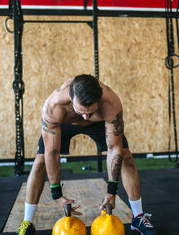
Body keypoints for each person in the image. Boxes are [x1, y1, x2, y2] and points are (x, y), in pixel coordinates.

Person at [16, 74, 155, 235]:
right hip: (65, 121)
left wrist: (112, 190)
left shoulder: (110, 103)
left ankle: (138, 217)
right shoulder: (54, 106)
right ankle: (28, 222)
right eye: (82, 111)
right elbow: (52, 152)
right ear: (70, 96)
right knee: (40, 160)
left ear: (99, 99)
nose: (85, 117)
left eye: (90, 111)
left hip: (99, 123)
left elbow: (113, 149)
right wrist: (57, 194)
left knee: (126, 156)